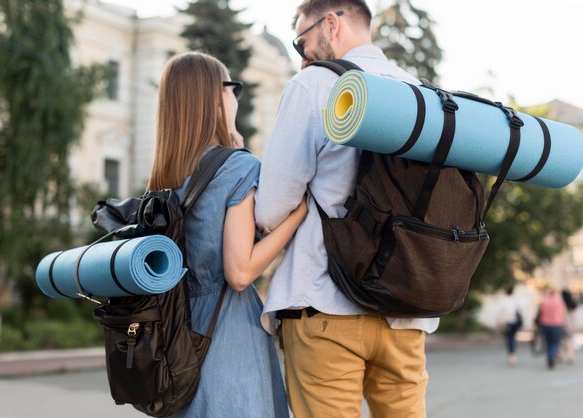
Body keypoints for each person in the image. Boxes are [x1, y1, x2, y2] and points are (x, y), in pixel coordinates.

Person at [255, 1, 438, 416]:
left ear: (331, 23)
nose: (302, 55)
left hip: (325, 303)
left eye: (301, 40)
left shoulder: (315, 85)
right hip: (405, 311)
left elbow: (270, 209)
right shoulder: (422, 94)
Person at [147, 51, 307, 418]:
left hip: (176, 337)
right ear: (214, 98)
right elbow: (239, 273)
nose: (236, 96)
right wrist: (296, 217)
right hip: (228, 332)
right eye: (231, 87)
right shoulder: (238, 167)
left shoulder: (164, 176)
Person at [538, 287, 567, 369]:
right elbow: (563, 313)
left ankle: (549, 356)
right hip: (557, 324)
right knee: (555, 343)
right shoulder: (559, 301)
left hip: (545, 324)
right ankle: (552, 355)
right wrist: (564, 324)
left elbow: (541, 313)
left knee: (548, 342)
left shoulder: (544, 301)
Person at [496, 286, 522, 365]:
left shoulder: (503, 301)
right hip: (515, 322)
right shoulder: (516, 300)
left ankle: (511, 355)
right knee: (513, 337)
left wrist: (499, 322)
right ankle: (513, 354)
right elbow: (520, 311)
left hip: (507, 322)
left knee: (509, 338)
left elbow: (501, 312)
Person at [561, 289, 578, 364]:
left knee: (560, 340)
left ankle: (560, 355)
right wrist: (574, 325)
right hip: (570, 324)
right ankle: (570, 356)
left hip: (561, 323)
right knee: (570, 341)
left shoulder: (561, 304)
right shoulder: (572, 304)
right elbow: (574, 316)